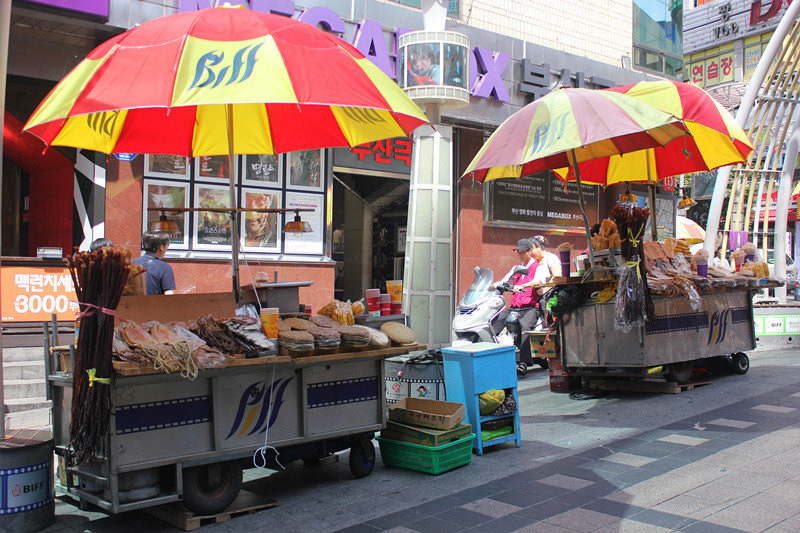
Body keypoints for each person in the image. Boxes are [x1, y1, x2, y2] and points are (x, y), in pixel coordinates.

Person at [490, 238, 539, 374]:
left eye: (523, 252)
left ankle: (523, 362)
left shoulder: (537, 267)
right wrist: (492, 285)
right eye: (518, 252)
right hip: (515, 306)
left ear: (530, 251)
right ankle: (490, 356)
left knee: (525, 326)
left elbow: (538, 280)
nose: (520, 255)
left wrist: (523, 285)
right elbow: (505, 280)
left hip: (530, 307)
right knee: (495, 323)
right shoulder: (516, 269)